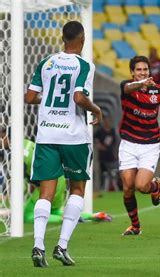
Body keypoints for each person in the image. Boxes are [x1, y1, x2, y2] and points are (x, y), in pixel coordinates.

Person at [24, 21, 102, 267]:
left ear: (62, 38)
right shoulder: (84, 65)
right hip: (73, 136)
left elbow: (29, 97)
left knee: (45, 192)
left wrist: (48, 100)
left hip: (47, 135)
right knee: (77, 189)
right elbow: (79, 97)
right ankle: (62, 246)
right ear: (82, 39)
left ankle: (38, 245)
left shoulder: (46, 62)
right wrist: (96, 108)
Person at [119, 55, 160, 236]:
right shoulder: (126, 87)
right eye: (138, 70)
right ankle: (135, 226)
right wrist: (141, 84)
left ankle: (154, 187)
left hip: (149, 145)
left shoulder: (158, 91)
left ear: (149, 71)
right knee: (127, 187)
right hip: (128, 143)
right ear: (132, 73)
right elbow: (128, 88)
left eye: (145, 69)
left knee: (141, 186)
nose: (142, 72)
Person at [23, 139, 111, 224]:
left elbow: (20, 184)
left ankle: (65, 220)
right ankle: (91, 216)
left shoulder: (16, 153)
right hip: (59, 178)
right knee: (54, 211)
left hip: (48, 182)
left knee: (28, 215)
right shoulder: (26, 143)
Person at [94, 117, 118, 191]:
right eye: (106, 122)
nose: (107, 123)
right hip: (102, 156)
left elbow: (114, 143)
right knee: (103, 173)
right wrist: (99, 146)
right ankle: (103, 187)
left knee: (113, 172)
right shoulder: (100, 131)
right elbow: (95, 139)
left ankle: (114, 187)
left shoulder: (112, 131)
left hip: (111, 156)